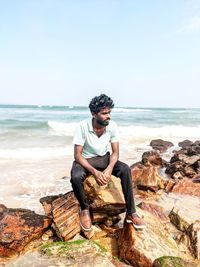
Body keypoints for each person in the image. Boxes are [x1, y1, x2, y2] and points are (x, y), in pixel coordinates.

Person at [70, 94, 145, 232]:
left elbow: (115, 152)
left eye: (109, 112)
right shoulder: (82, 126)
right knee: (75, 177)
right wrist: (95, 172)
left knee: (125, 169)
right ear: (94, 114)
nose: (108, 116)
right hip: (85, 160)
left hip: (104, 158)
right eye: (104, 113)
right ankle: (85, 209)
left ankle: (131, 213)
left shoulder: (112, 126)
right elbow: (77, 155)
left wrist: (109, 168)